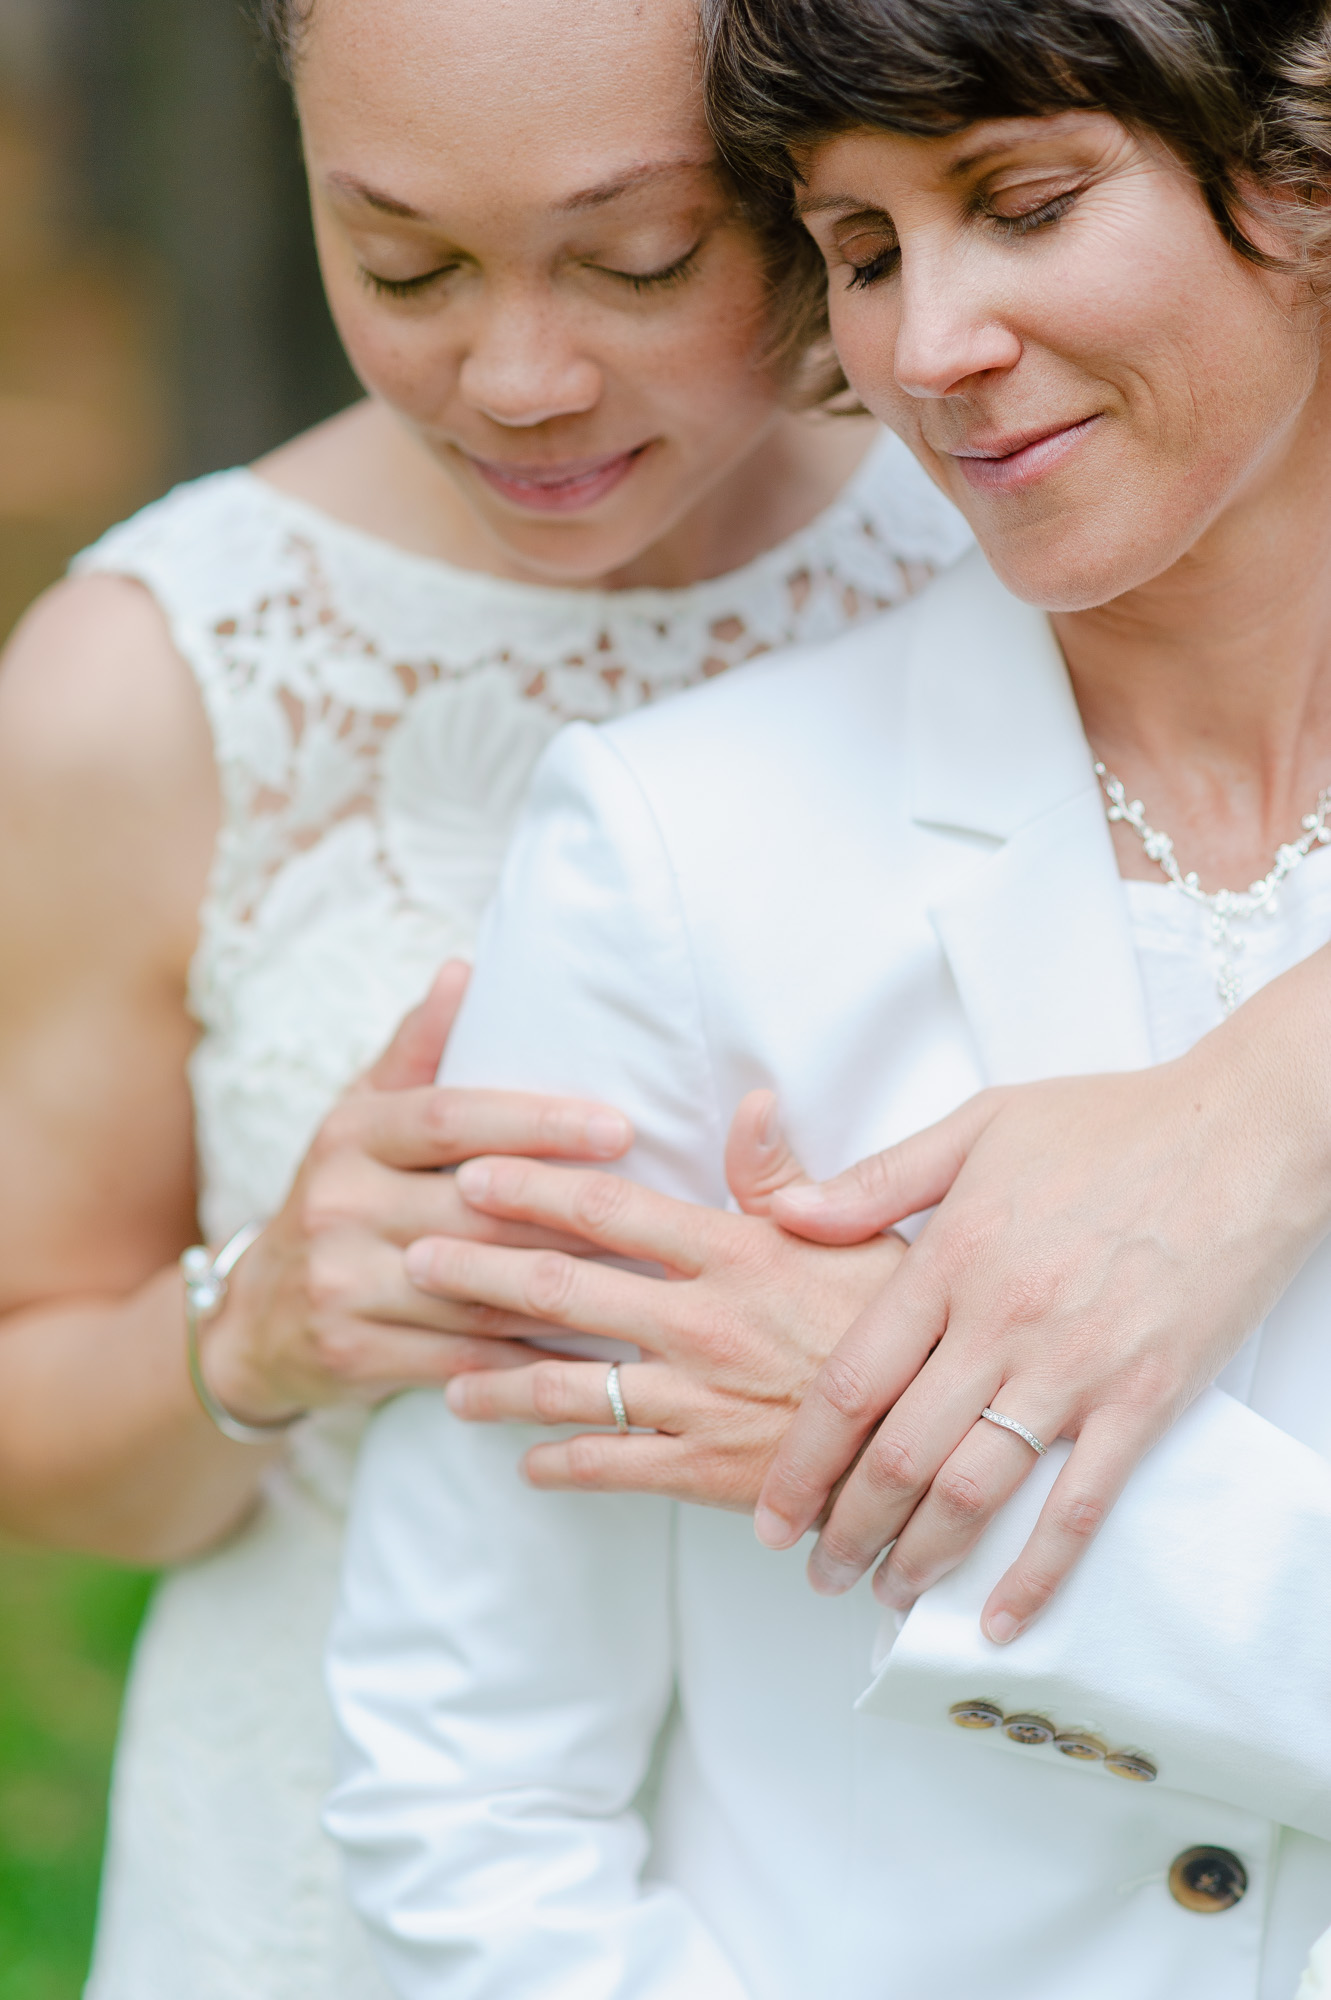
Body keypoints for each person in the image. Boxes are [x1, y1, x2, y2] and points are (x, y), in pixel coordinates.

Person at [327, 2, 1331, 1995]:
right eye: (861, 251)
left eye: (1023, 205)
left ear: (1304, 160)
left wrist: (948, 1465)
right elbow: (465, 1781)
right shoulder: (679, 849)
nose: (929, 348)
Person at [0, 0, 972, 1991]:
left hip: (941, 1848)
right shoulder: (143, 684)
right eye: (404, 262)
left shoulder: (1012, 533)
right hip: (335, 1879)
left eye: (638, 258)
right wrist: (254, 1326)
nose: (516, 376)